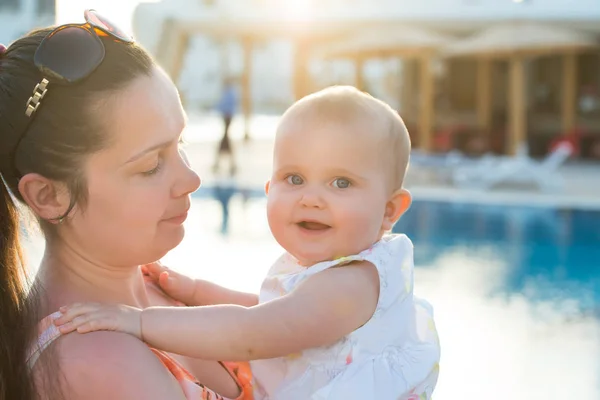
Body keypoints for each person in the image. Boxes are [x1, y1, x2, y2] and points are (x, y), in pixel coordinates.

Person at [57, 86, 441, 399]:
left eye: (341, 183)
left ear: (390, 210)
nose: (311, 198)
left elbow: (254, 332)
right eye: (294, 179)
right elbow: (270, 309)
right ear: (269, 188)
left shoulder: (353, 283)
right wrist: (196, 291)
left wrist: (141, 322)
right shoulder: (329, 275)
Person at [0, 10, 254, 400]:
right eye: (151, 165)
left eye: (179, 144)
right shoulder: (97, 359)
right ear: (49, 196)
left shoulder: (159, 284)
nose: (191, 179)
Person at [213, 77, 238, 175]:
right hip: (226, 117)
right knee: (226, 140)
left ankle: (222, 164)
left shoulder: (230, 93)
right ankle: (230, 164)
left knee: (225, 140)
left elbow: (225, 105)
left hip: (227, 117)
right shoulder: (229, 92)